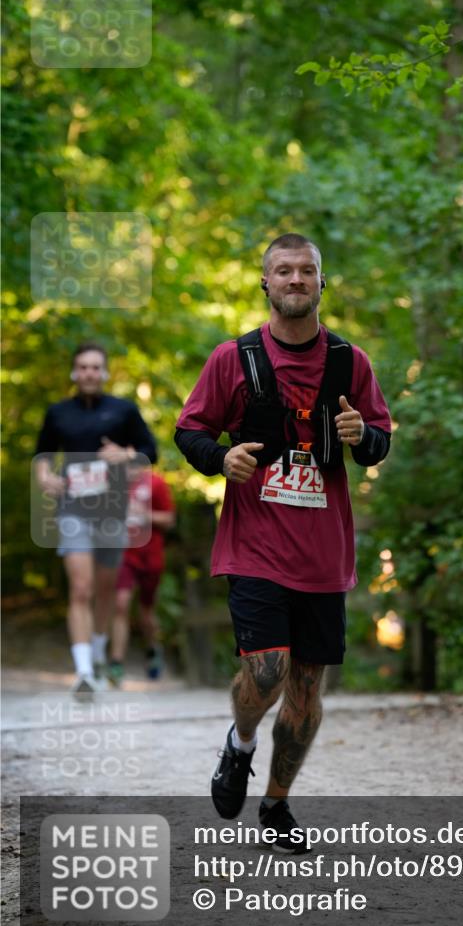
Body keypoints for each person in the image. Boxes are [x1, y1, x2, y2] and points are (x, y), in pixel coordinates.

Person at [175, 233, 392, 852]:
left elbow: (379, 440)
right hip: (255, 545)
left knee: (305, 690)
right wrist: (221, 459)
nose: (296, 280)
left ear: (323, 282)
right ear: (265, 283)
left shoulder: (351, 362)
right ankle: (239, 744)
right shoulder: (233, 358)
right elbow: (189, 430)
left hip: (324, 555)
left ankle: (276, 803)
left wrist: (360, 435)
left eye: (307, 271)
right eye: (283, 271)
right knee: (266, 672)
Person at [34, 342, 158, 699]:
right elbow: (42, 455)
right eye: (82, 367)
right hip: (73, 508)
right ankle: (84, 671)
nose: (88, 373)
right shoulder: (58, 413)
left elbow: (151, 452)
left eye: (95, 367)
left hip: (112, 511)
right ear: (74, 373)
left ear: (104, 373)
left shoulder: (123, 411)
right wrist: (45, 477)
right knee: (82, 588)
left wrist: (125, 453)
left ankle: (100, 651)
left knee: (105, 590)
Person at [109, 461, 176, 686]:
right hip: (124, 554)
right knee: (120, 604)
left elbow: (169, 520)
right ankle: (116, 663)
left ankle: (152, 650)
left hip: (151, 556)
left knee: (146, 611)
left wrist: (145, 515)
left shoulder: (156, 483)